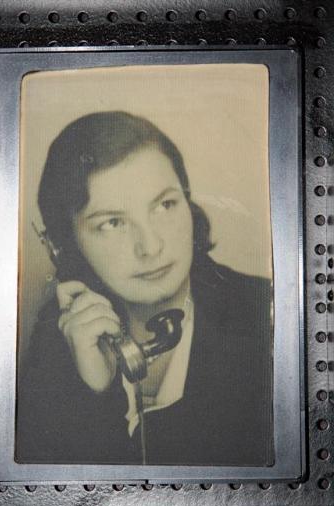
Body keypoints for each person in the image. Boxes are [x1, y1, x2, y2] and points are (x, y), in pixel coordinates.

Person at [15, 111, 274, 466]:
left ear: (188, 203)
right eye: (113, 223)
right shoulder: (56, 341)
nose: (151, 247)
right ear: (65, 246)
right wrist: (94, 393)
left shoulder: (267, 315)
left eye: (165, 204)